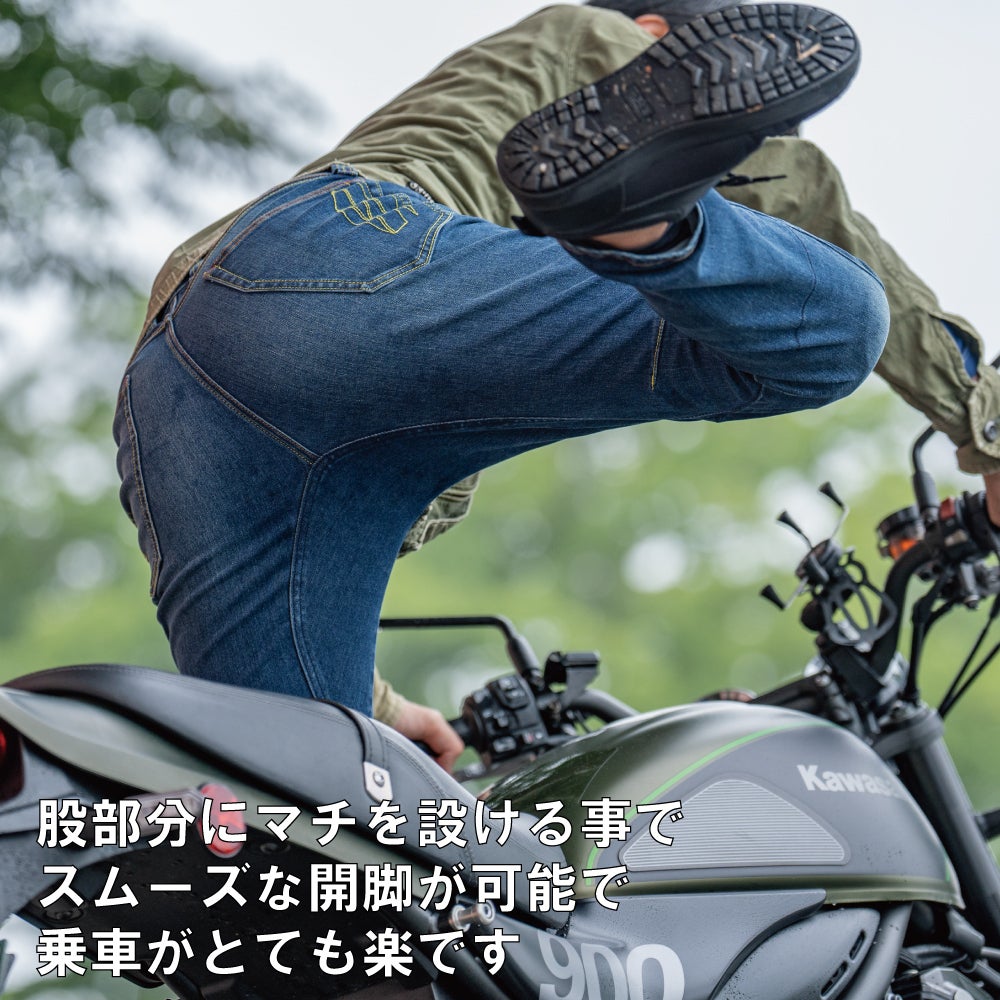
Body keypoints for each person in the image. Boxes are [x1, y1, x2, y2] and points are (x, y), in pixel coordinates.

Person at [116, 2, 891, 771]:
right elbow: (824, 217)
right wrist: (964, 420)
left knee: (308, 801)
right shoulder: (600, 39)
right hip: (338, 270)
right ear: (655, 36)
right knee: (831, 327)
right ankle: (645, 224)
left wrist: (380, 708)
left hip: (177, 396)